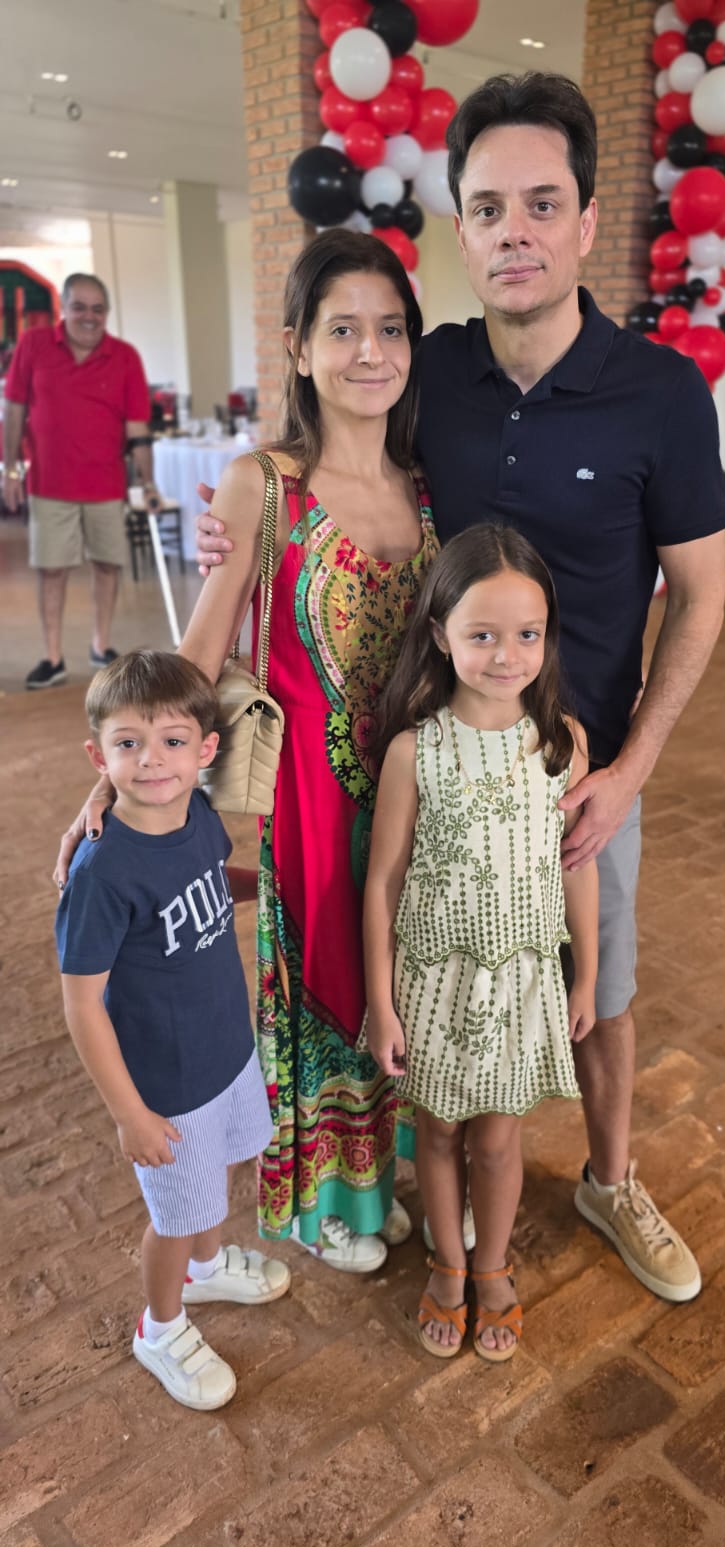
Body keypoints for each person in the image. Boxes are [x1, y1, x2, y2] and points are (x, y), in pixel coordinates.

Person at [189, 73, 725, 1305]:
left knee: (601, 994)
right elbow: (332, 445)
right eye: (488, 208)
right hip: (423, 770)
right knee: (430, 974)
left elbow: (699, 598)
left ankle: (608, 1174)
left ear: (589, 222)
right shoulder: (430, 373)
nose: (515, 231)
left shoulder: (661, 393)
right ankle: (426, 1167)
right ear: (464, 228)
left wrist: (627, 771)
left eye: (543, 203)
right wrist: (236, 524)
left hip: (577, 774)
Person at [55, 233, 439, 1271]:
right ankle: (329, 1204)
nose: (371, 351)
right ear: (299, 348)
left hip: (412, 795)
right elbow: (199, 653)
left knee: (394, 981)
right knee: (323, 989)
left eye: (391, 328)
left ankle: (384, 1176)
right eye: (343, 328)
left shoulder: (427, 482)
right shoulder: (263, 484)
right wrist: (120, 777)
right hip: (312, 799)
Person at [365, 525, 598, 1361]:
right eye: (483, 634)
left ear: (548, 636)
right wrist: (381, 1001)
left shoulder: (563, 745)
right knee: (435, 1133)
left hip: (519, 980)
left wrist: (586, 977)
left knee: (498, 1138)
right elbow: (383, 882)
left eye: (527, 634)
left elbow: (578, 870)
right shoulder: (413, 751)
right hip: (434, 978)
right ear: (440, 634)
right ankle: (448, 1263)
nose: (508, 655)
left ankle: (493, 1266)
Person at [56, 651, 290, 1411]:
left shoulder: (197, 814)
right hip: (164, 1082)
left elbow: (211, 883)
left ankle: (208, 1263)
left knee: (215, 1177)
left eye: (172, 742)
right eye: (128, 744)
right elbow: (82, 1003)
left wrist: (266, 889)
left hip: (224, 1048)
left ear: (206, 751)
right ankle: (161, 1324)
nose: (151, 760)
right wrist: (131, 1113)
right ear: (99, 756)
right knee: (172, 1215)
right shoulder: (102, 870)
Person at [2, 272, 162, 689]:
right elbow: (15, 410)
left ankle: (100, 644)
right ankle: (52, 656)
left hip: (106, 483)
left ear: (106, 313)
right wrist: (11, 468)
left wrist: (148, 483)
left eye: (97, 309)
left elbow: (138, 428)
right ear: (64, 309)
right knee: (51, 569)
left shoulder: (125, 356)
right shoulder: (34, 345)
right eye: (79, 307)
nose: (88, 317)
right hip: (50, 483)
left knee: (107, 564)